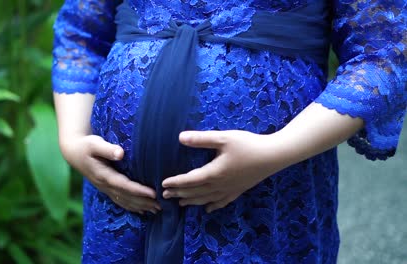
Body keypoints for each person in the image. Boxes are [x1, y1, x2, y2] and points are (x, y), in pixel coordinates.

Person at [51, 0, 406, 263]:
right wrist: (71, 141)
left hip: (268, 189)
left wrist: (275, 152)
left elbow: (384, 56)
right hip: (122, 204)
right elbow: (80, 34)